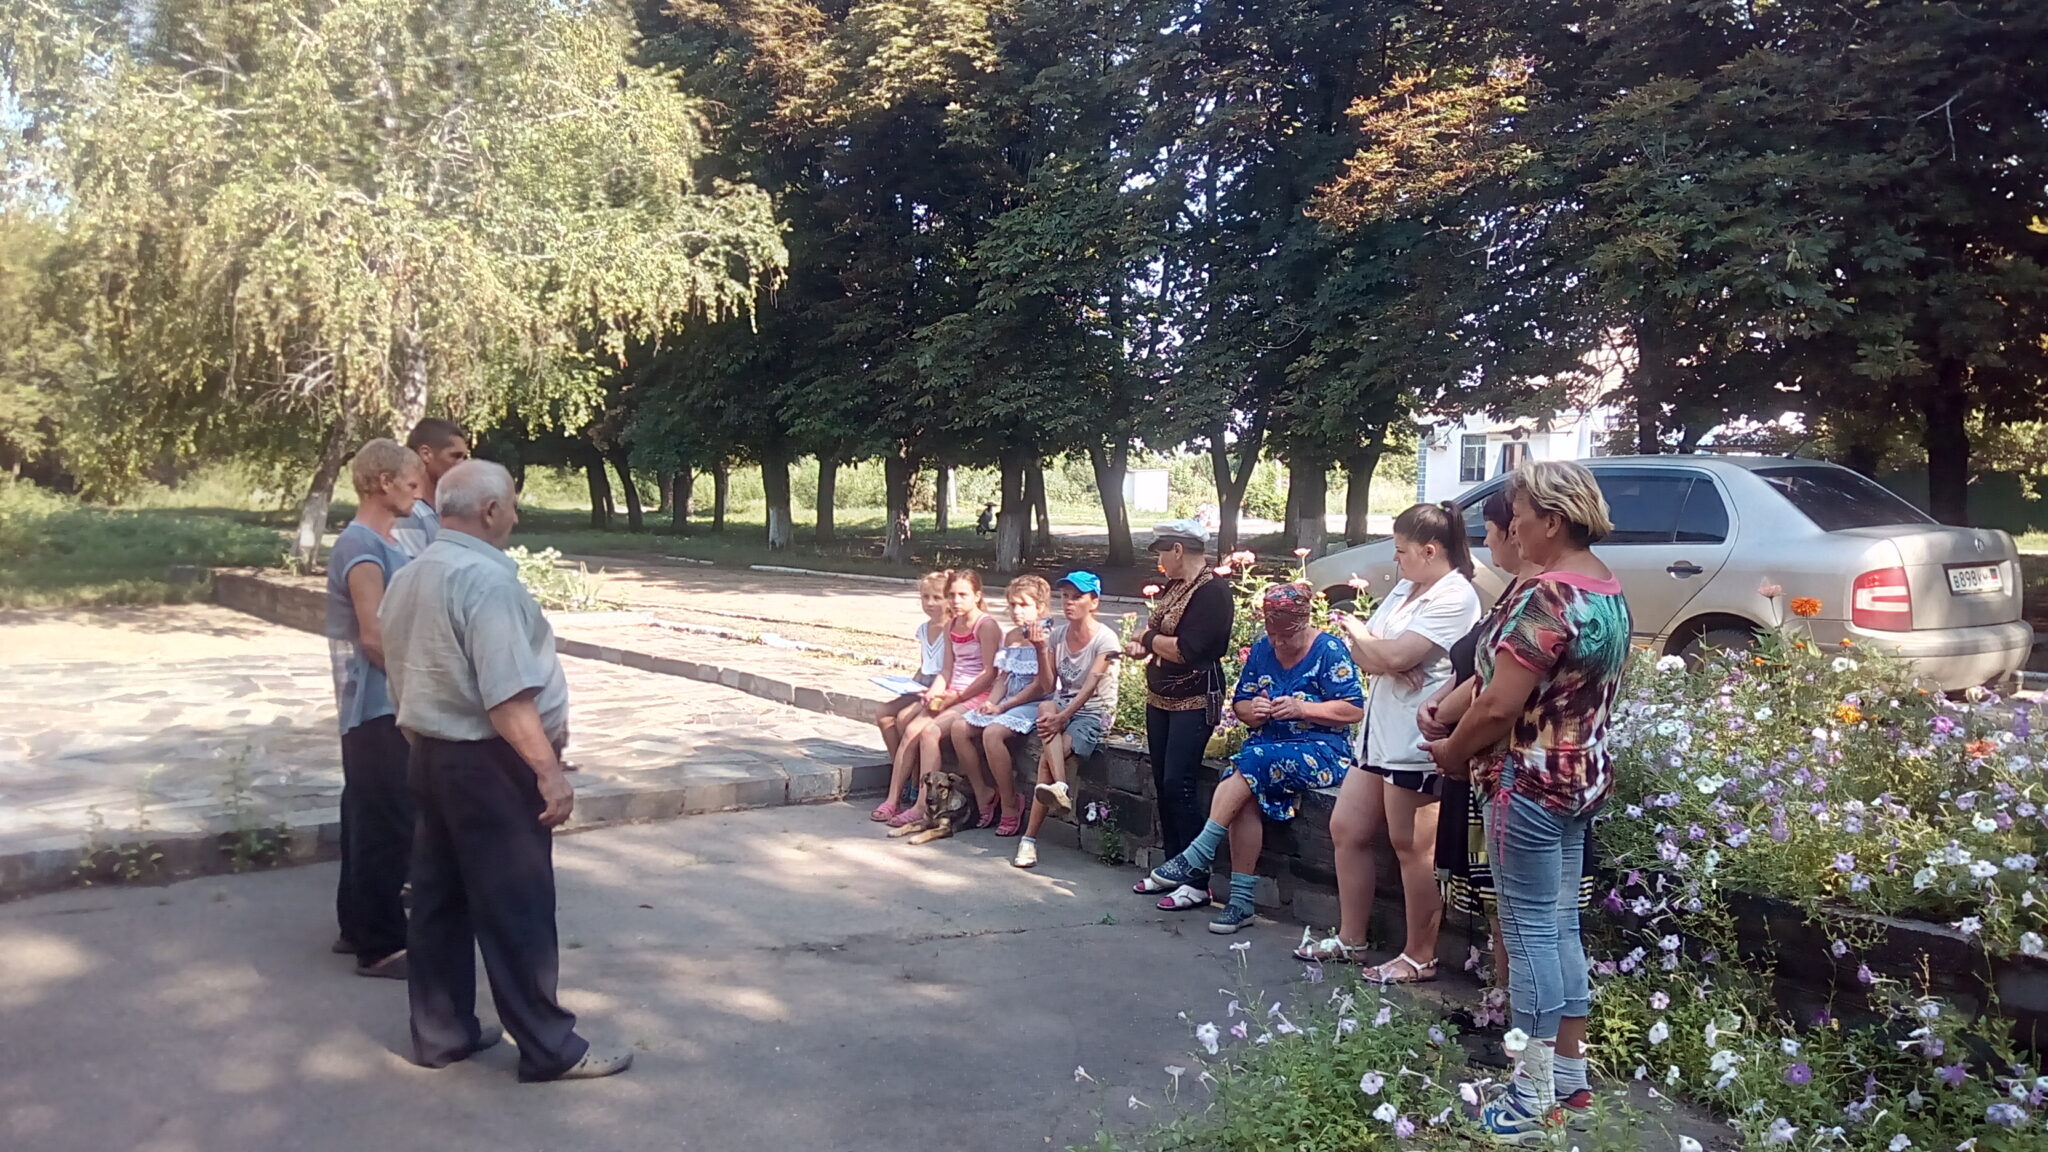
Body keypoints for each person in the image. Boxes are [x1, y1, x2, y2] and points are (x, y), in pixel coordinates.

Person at [379, 460, 630, 1082]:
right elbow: (507, 696)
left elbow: (403, 670)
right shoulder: (485, 583)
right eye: (512, 503)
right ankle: (548, 1046)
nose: (516, 514)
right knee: (516, 903)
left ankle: (442, 1032)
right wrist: (548, 772)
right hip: (491, 762)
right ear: (491, 510)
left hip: (431, 754)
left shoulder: (411, 576)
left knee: (439, 901)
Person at [1424, 460, 1630, 1139]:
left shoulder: (1544, 597)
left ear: (1554, 519)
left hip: (1527, 784)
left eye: (1519, 514)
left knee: (1532, 933)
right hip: (1580, 780)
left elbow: (1499, 707)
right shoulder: (1606, 588)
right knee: (1560, 928)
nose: (1511, 526)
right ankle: (1567, 1081)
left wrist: (1454, 755)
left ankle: (1529, 1095)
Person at [1303, 504, 1481, 982]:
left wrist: (1363, 635)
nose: (1396, 561)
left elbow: (1387, 650)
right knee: (1347, 827)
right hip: (1377, 735)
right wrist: (1381, 654)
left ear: (1430, 550)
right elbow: (1374, 659)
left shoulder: (1456, 596)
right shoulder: (1407, 587)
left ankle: (1420, 954)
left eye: (1403, 551)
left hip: (1414, 739)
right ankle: (1351, 937)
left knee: (1411, 845)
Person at [1142, 582, 1364, 933]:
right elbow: (1241, 703)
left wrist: (1302, 707)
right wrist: (1254, 711)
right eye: (1272, 636)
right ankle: (1242, 902)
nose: (1277, 644)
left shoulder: (1329, 650)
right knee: (1242, 788)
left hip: (1320, 750)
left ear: (1302, 624)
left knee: (1248, 765)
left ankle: (1199, 852)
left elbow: (1353, 709)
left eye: (1285, 638)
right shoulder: (1263, 648)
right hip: (1267, 750)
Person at [325, 438, 424, 979]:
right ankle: (381, 944)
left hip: (375, 707)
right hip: (377, 707)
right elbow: (373, 636)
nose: (416, 493)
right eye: (410, 483)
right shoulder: (363, 546)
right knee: (387, 823)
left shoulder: (384, 539)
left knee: (366, 817)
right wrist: (417, 692)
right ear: (383, 483)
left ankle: (354, 926)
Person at [1126, 520, 1234, 909]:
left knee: (1179, 782)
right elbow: (1158, 634)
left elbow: (1189, 649)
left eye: (1160, 553)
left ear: (1177, 550)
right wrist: (1147, 644)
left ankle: (1197, 878)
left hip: (1194, 697)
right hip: (1162, 697)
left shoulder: (1213, 592)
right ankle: (1173, 868)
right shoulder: (1176, 587)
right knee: (1162, 781)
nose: (1158, 562)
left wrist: (1148, 640)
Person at [1014, 571, 1122, 870]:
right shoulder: (1058, 634)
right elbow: (1048, 684)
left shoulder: (1106, 638)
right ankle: (1060, 787)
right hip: (1063, 705)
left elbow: (1090, 687)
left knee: (1047, 760)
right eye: (1065, 596)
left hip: (1093, 711)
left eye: (1077, 597)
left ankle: (1029, 838)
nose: (1069, 602)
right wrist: (1039, 648)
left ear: (1094, 602)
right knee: (1045, 706)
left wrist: (1063, 717)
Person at [888, 569, 1003, 830]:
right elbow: (947, 670)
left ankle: (922, 806)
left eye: (963, 595)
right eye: (951, 595)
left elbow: (989, 673)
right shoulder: (952, 625)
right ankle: (897, 796)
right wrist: (934, 692)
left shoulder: (986, 626)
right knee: (909, 725)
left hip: (977, 694)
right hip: (953, 691)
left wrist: (957, 697)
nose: (956, 601)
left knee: (930, 732)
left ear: (977, 595)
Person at [956, 575, 1055, 836]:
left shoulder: (1048, 636)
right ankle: (984, 792)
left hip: (1034, 702)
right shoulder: (1011, 635)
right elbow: (1003, 676)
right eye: (1012, 605)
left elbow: (1041, 685)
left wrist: (1004, 707)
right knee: (959, 727)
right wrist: (991, 702)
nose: (1016, 611)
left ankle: (1011, 803)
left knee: (992, 733)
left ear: (1040, 607)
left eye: (1023, 605)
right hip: (1008, 700)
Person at [870, 570, 954, 823]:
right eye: (925, 597)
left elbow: (949, 669)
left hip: (940, 688)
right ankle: (903, 770)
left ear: (948, 600)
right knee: (883, 712)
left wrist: (928, 691)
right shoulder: (924, 628)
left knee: (906, 718)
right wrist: (908, 684)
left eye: (937, 597)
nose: (930, 603)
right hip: (923, 684)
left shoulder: (951, 628)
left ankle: (912, 781)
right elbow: (924, 665)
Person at [391, 418, 470, 556]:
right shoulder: (408, 513)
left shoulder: (444, 512)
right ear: (426, 454)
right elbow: (412, 574)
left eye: (464, 458)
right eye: (455, 456)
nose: (462, 465)